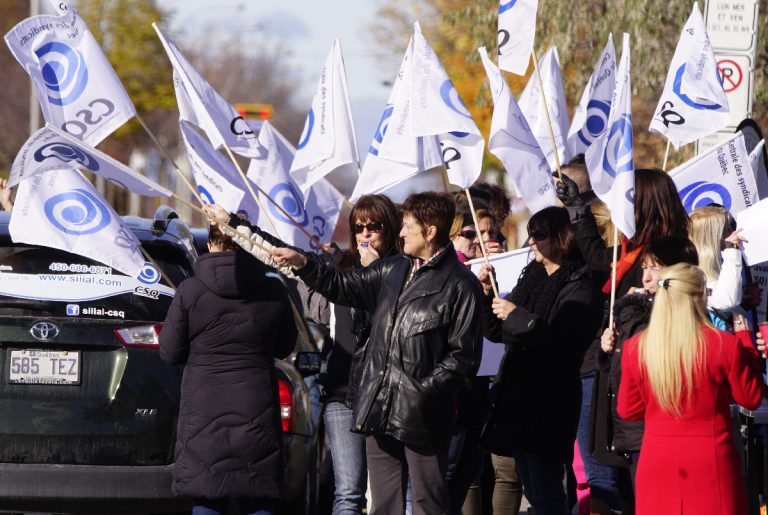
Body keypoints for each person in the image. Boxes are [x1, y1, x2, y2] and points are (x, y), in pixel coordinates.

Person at [271, 192, 484, 515]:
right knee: (384, 505)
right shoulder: (395, 269)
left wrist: (420, 392)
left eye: (408, 226)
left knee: (428, 504)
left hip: (423, 417)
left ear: (430, 232)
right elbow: (340, 285)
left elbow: (463, 359)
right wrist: (304, 264)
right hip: (378, 409)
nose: (400, 233)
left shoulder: (460, 284)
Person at [557, 168, 691, 499]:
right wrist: (577, 208)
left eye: (630, 197)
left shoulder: (669, 254)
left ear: (646, 203)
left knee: (622, 473)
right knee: (601, 464)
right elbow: (600, 259)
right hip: (605, 368)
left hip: (639, 376)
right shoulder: (631, 250)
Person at [159, 224, 297, 515]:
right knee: (257, 493)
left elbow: (170, 352)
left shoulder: (190, 290)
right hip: (256, 407)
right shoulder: (272, 289)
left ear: (210, 244)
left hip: (204, 409)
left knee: (207, 493)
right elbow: (285, 346)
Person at [477, 206, 603, 515]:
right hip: (518, 396)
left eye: (540, 235)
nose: (531, 241)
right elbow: (497, 331)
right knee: (532, 487)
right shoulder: (532, 277)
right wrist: (484, 295)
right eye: (531, 234)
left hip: (550, 401)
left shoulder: (580, 284)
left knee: (546, 492)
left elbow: (564, 342)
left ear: (562, 238)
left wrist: (517, 316)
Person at [617, 263, 765, 514]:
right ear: (697, 298)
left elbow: (628, 410)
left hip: (658, 459)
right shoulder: (722, 344)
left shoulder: (636, 348)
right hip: (711, 459)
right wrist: (747, 345)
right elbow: (750, 398)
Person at [598, 236, 699, 484]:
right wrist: (607, 350)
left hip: (658, 431)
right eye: (645, 268)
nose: (646, 277)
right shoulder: (636, 309)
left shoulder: (674, 311)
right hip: (633, 432)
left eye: (655, 268)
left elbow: (646, 359)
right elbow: (621, 370)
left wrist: (629, 307)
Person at [688, 206, 745, 325]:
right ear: (712, 239)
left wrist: (745, 303)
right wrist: (732, 249)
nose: (732, 232)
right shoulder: (693, 274)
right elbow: (726, 301)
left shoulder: (720, 263)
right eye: (727, 229)